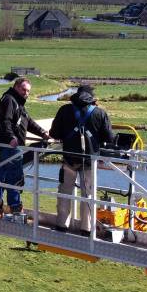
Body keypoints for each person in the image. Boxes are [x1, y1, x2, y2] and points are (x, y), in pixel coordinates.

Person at [48, 84, 114, 233]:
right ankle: (86, 228)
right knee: (88, 195)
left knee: (65, 192)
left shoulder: (64, 110)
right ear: (91, 97)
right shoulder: (99, 113)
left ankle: (62, 225)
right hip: (89, 161)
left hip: (69, 160)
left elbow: (54, 133)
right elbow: (109, 138)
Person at [0, 77, 48, 216]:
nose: (26, 93)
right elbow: (5, 121)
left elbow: (27, 121)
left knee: (2, 174)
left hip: (10, 145)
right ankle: (15, 207)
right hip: (10, 145)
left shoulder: (16, 101)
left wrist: (42, 132)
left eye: (28, 91)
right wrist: (11, 137)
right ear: (16, 86)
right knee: (15, 176)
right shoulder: (9, 100)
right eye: (24, 89)